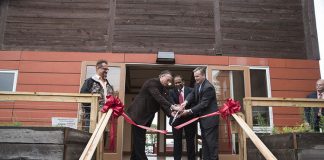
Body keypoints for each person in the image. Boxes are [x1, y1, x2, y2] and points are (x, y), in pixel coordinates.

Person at [126, 70, 176, 160]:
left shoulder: (164, 89)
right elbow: (159, 98)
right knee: (140, 139)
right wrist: (173, 106)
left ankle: (133, 158)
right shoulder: (151, 83)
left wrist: (171, 112)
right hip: (139, 114)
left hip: (148, 116)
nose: (169, 82)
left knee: (140, 138)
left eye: (170, 81)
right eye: (168, 79)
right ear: (161, 76)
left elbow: (166, 100)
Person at [178, 66, 219, 160]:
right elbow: (192, 94)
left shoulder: (208, 87)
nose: (196, 78)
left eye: (198, 76)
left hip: (210, 121)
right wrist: (185, 102)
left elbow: (203, 104)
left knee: (211, 145)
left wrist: (188, 111)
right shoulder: (197, 85)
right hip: (203, 120)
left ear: (204, 75)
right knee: (205, 144)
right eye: (195, 76)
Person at [80, 59, 114, 131]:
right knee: (91, 136)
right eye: (104, 69)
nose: (106, 71)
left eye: (107, 69)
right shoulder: (89, 81)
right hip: (92, 117)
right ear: (97, 68)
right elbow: (83, 97)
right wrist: (92, 111)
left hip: (105, 116)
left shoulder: (108, 84)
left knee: (103, 136)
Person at [169, 75, 197, 160]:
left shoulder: (191, 90)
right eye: (176, 83)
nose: (177, 84)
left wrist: (187, 112)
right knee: (177, 141)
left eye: (179, 82)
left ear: (183, 82)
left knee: (190, 141)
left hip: (189, 119)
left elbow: (194, 104)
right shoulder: (171, 92)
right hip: (177, 119)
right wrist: (175, 109)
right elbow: (170, 103)